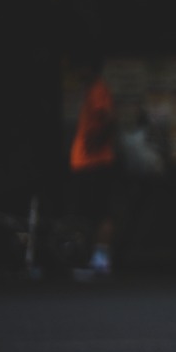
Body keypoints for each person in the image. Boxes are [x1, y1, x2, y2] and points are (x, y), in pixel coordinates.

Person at [69, 59, 118, 276]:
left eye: (80, 66)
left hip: (96, 163)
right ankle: (95, 257)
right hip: (88, 163)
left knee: (101, 212)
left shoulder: (98, 89)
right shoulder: (93, 90)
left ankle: (100, 259)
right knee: (93, 213)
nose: (78, 72)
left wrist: (95, 141)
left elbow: (109, 118)